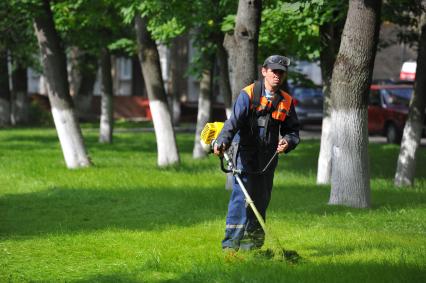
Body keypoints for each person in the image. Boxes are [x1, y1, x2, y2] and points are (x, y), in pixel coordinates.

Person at [214, 55, 300, 251]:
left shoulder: (286, 101)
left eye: (281, 73)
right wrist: (222, 141)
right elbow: (233, 122)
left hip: (268, 158)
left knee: (261, 199)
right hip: (245, 154)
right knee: (241, 198)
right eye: (273, 71)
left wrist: (288, 141)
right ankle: (230, 245)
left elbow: (293, 131)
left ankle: (253, 245)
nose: (277, 76)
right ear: (264, 71)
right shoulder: (249, 94)